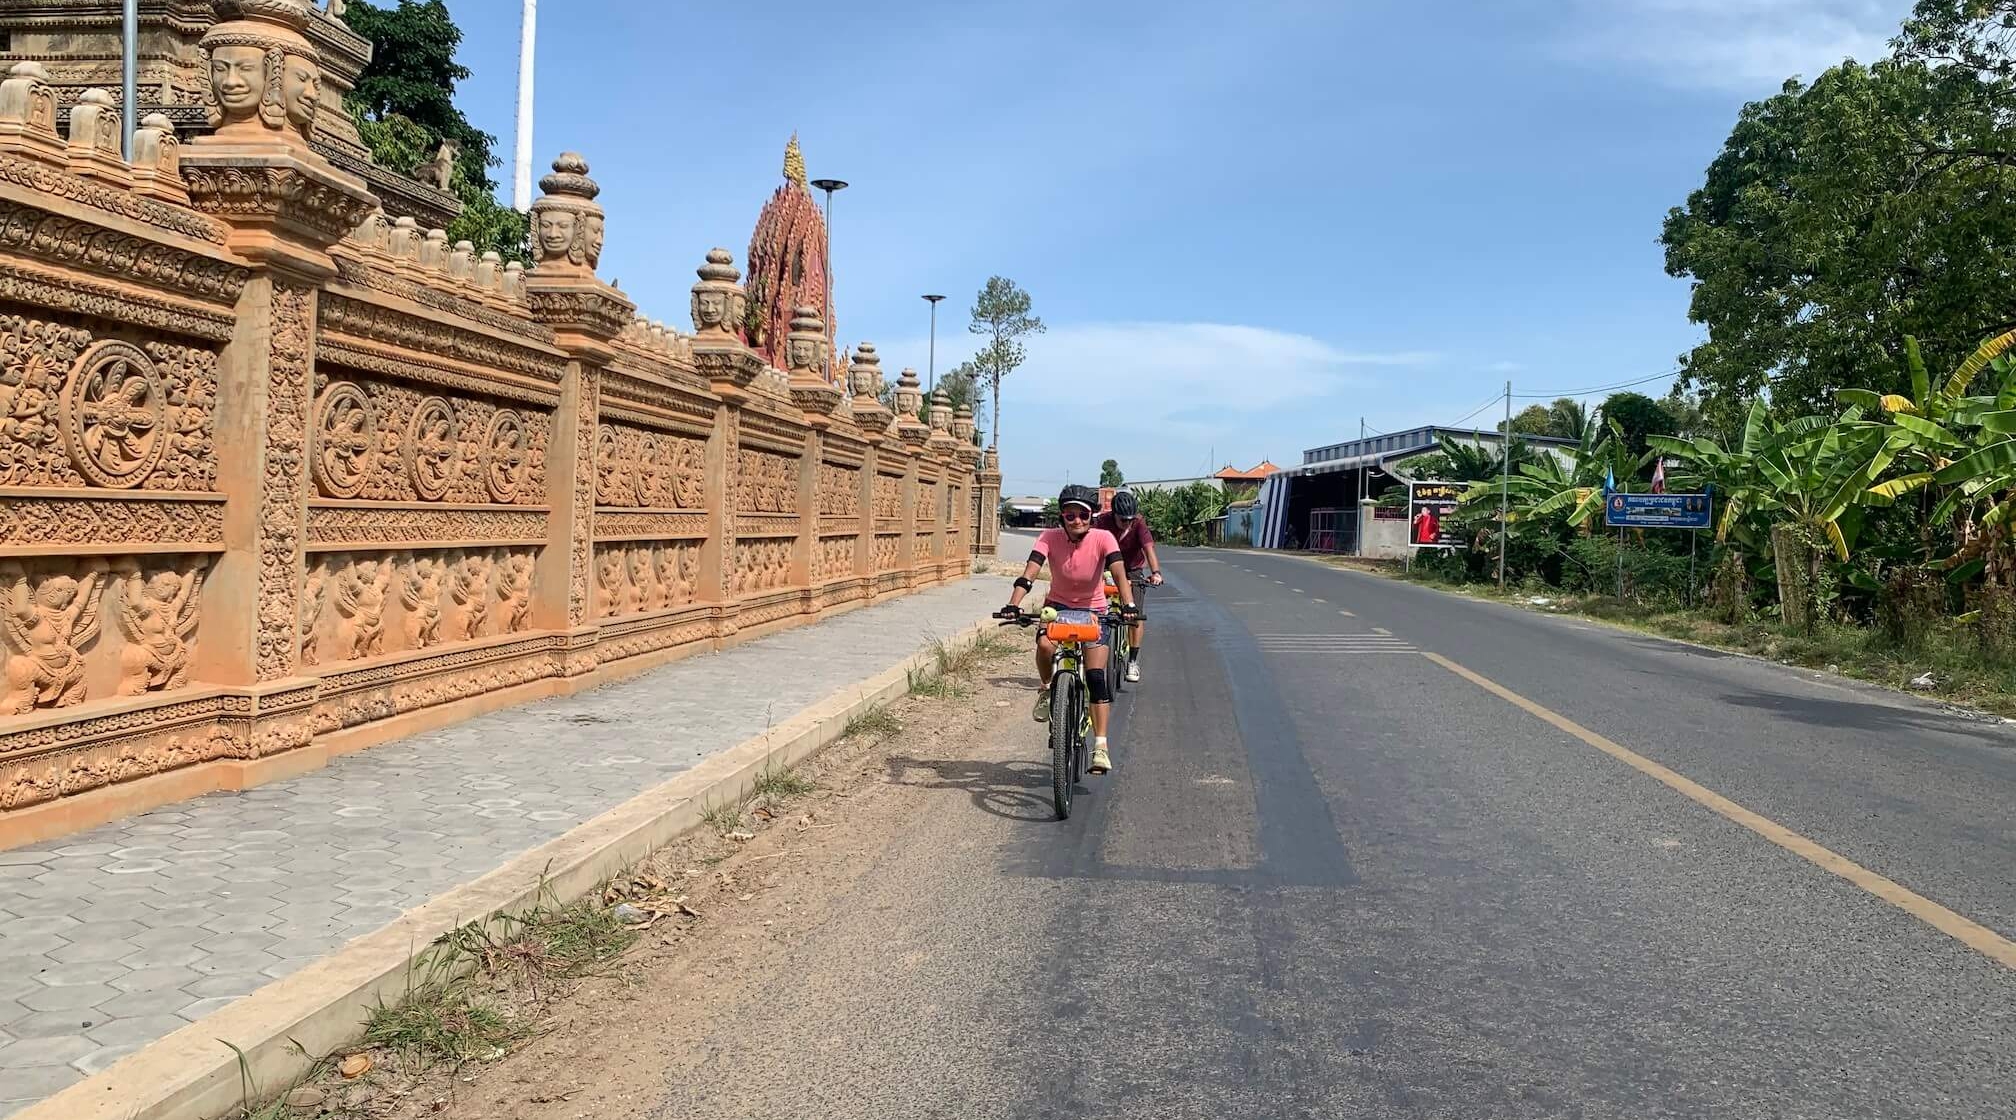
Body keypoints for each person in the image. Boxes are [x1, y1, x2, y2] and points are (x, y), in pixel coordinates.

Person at [998, 484, 1137, 775]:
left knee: (1096, 677)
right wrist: (1013, 604)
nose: (1076, 521)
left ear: (1092, 515)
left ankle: (1100, 746)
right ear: (1061, 516)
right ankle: (1048, 688)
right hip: (1058, 608)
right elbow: (1029, 574)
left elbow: (1120, 574)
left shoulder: (1104, 538)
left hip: (1094, 611)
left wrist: (1129, 605)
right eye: (1069, 515)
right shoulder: (1048, 537)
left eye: (1082, 514)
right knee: (1045, 647)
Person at [1092, 489, 1162, 682]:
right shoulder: (1101, 523)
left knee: (1135, 615)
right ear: (1114, 514)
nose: (1127, 523)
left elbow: (1148, 549)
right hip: (1105, 567)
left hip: (1132, 569)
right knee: (1094, 610)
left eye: (1130, 519)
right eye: (1123, 520)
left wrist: (1155, 573)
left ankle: (1132, 660)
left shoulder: (1139, 523)